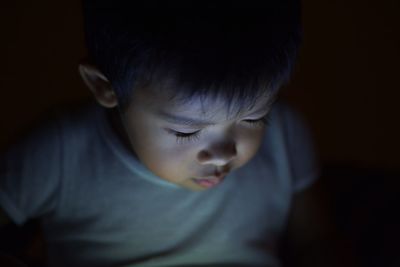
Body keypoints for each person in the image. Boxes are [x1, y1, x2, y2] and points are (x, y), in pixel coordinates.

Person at [0, 1, 341, 266]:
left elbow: (314, 241)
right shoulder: (62, 150)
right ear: (105, 88)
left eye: (254, 118)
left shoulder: (285, 133)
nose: (224, 152)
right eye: (185, 130)